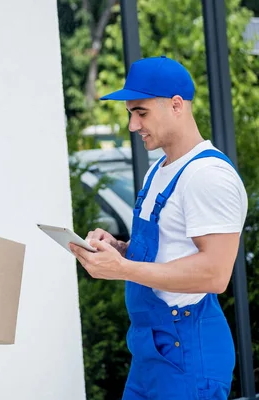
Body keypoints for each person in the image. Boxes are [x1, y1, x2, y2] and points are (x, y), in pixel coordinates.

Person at [69, 56, 248, 399]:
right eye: (130, 114)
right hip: (150, 351)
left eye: (142, 113)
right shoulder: (159, 170)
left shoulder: (208, 176)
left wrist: (123, 268)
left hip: (187, 352)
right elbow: (167, 249)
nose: (133, 126)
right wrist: (119, 248)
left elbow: (215, 274)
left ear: (177, 105)